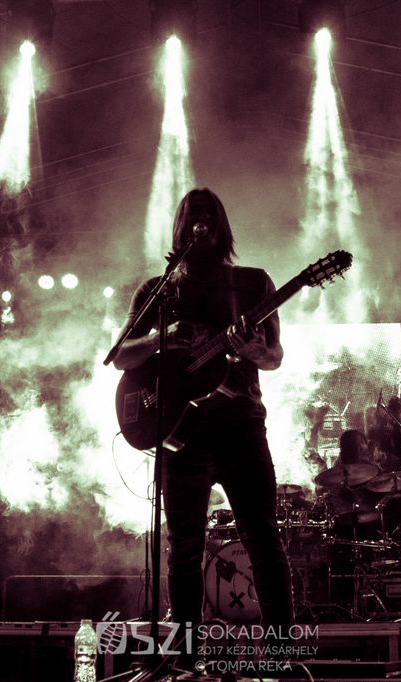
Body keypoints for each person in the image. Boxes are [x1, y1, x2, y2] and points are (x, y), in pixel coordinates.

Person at [112, 188, 295, 636]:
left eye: (211, 214)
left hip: (241, 428)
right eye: (195, 214)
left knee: (262, 540)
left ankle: (281, 653)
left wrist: (253, 349)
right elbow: (120, 356)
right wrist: (163, 336)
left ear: (222, 224)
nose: (204, 221)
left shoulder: (252, 283)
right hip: (182, 433)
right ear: (182, 226)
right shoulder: (159, 290)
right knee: (184, 549)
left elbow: (274, 357)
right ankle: (185, 656)